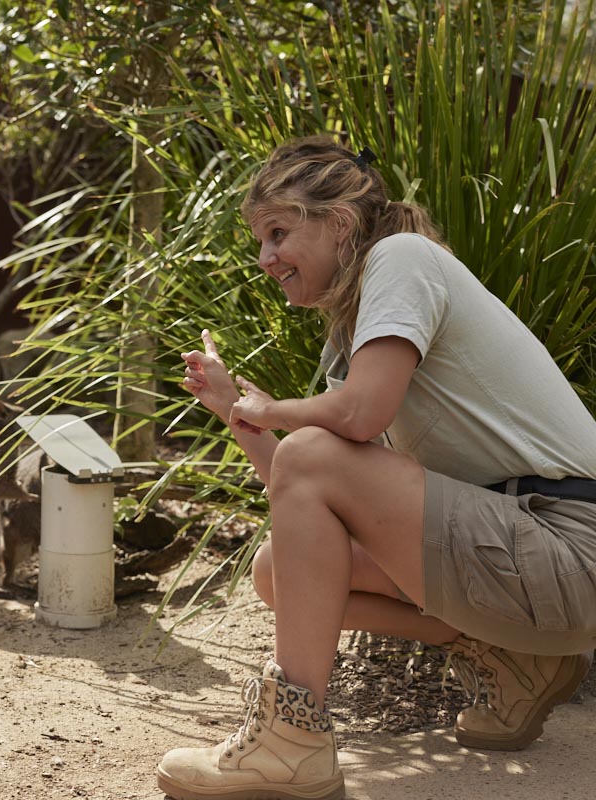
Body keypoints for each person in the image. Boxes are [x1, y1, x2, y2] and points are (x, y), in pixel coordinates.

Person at [157, 136, 596, 800]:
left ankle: (291, 739)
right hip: (520, 558)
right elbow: (313, 496)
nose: (264, 257)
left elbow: (354, 421)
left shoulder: (402, 259)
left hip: (569, 550)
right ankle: (512, 660)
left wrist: (276, 407)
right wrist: (237, 414)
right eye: (260, 240)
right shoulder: (359, 329)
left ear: (339, 223)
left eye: (278, 232)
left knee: (309, 455)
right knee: (278, 568)